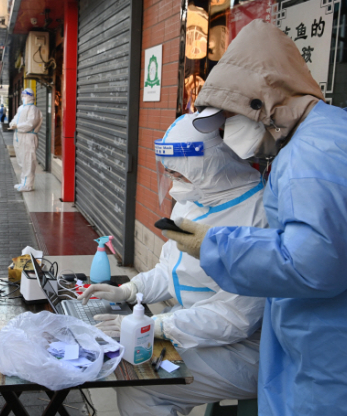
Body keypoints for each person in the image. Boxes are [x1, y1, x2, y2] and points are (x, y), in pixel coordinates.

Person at [161, 20, 347, 415]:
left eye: (231, 117)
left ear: (263, 103)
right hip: (342, 340)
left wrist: (215, 245)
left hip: (344, 357)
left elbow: (313, 263)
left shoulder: (312, 157)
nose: (228, 132)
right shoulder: (331, 136)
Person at [78, 113, 266, 416]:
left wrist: (159, 326)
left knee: (142, 382)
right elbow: (170, 268)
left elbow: (236, 317)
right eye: (170, 174)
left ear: (209, 165)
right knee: (130, 360)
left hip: (241, 352)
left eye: (179, 174)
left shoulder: (258, 214)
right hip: (190, 327)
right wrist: (129, 290)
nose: (174, 183)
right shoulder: (194, 197)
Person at [9, 88, 42, 192]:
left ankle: (28, 185)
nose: (23, 97)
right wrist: (13, 124)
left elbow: (31, 124)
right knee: (22, 161)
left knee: (28, 161)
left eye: (25, 95)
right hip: (19, 136)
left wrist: (17, 126)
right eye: (22, 95)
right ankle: (23, 182)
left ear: (30, 96)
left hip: (28, 137)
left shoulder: (33, 109)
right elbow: (15, 119)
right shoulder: (21, 108)